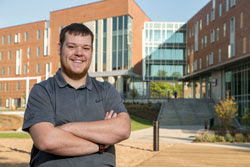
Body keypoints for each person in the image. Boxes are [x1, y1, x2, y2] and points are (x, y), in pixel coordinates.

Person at [22, 23, 131, 167]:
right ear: (60, 48)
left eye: (86, 48)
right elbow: (46, 140)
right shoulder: (43, 91)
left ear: (92, 52)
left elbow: (123, 129)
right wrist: (100, 145)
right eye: (72, 46)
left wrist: (66, 129)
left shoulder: (106, 90)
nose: (79, 53)